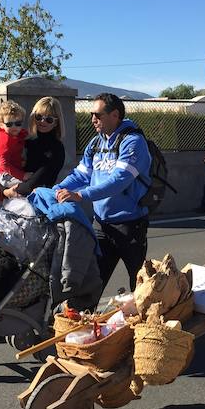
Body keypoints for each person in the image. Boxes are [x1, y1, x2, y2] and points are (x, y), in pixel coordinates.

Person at [53, 93, 152, 293]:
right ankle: (85, 322)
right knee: (92, 281)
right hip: (101, 225)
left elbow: (119, 181)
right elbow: (80, 175)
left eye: (97, 115)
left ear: (115, 115)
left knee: (140, 286)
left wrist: (81, 196)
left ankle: (144, 322)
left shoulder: (133, 142)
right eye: (92, 114)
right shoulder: (96, 143)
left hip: (130, 225)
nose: (92, 119)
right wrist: (57, 190)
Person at [4, 96, 66, 198]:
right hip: (16, 199)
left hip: (38, 202)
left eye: (49, 119)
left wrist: (6, 192)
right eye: (38, 116)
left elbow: (33, 184)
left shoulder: (56, 149)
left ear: (56, 123)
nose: (42, 121)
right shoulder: (26, 141)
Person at [0, 100, 29, 189]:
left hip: (12, 171)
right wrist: (22, 175)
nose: (14, 127)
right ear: (1, 124)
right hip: (6, 175)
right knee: (29, 185)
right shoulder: (5, 140)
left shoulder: (16, 135)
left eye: (18, 123)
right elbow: (4, 164)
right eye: (9, 124)